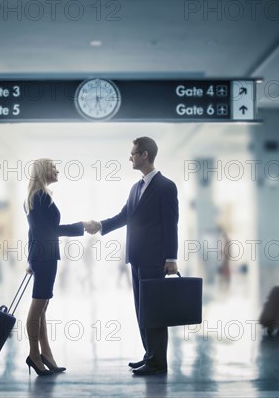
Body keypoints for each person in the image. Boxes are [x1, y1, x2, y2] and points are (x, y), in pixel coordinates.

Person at [87, 136, 179, 376]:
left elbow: (171, 225)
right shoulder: (136, 187)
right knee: (141, 309)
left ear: (144, 155)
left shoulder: (166, 186)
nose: (130, 157)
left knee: (155, 310)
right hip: (136, 258)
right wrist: (100, 225)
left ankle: (158, 362)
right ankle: (150, 355)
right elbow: (124, 215)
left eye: (133, 153)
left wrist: (171, 257)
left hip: (156, 259)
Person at [24, 159, 85, 376]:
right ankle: (34, 354)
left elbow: (34, 232)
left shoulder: (37, 196)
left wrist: (30, 259)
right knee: (37, 307)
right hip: (45, 256)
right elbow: (49, 230)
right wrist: (82, 226)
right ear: (42, 171)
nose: (58, 170)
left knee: (42, 308)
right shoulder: (40, 197)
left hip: (42, 256)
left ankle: (46, 353)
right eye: (53, 167)